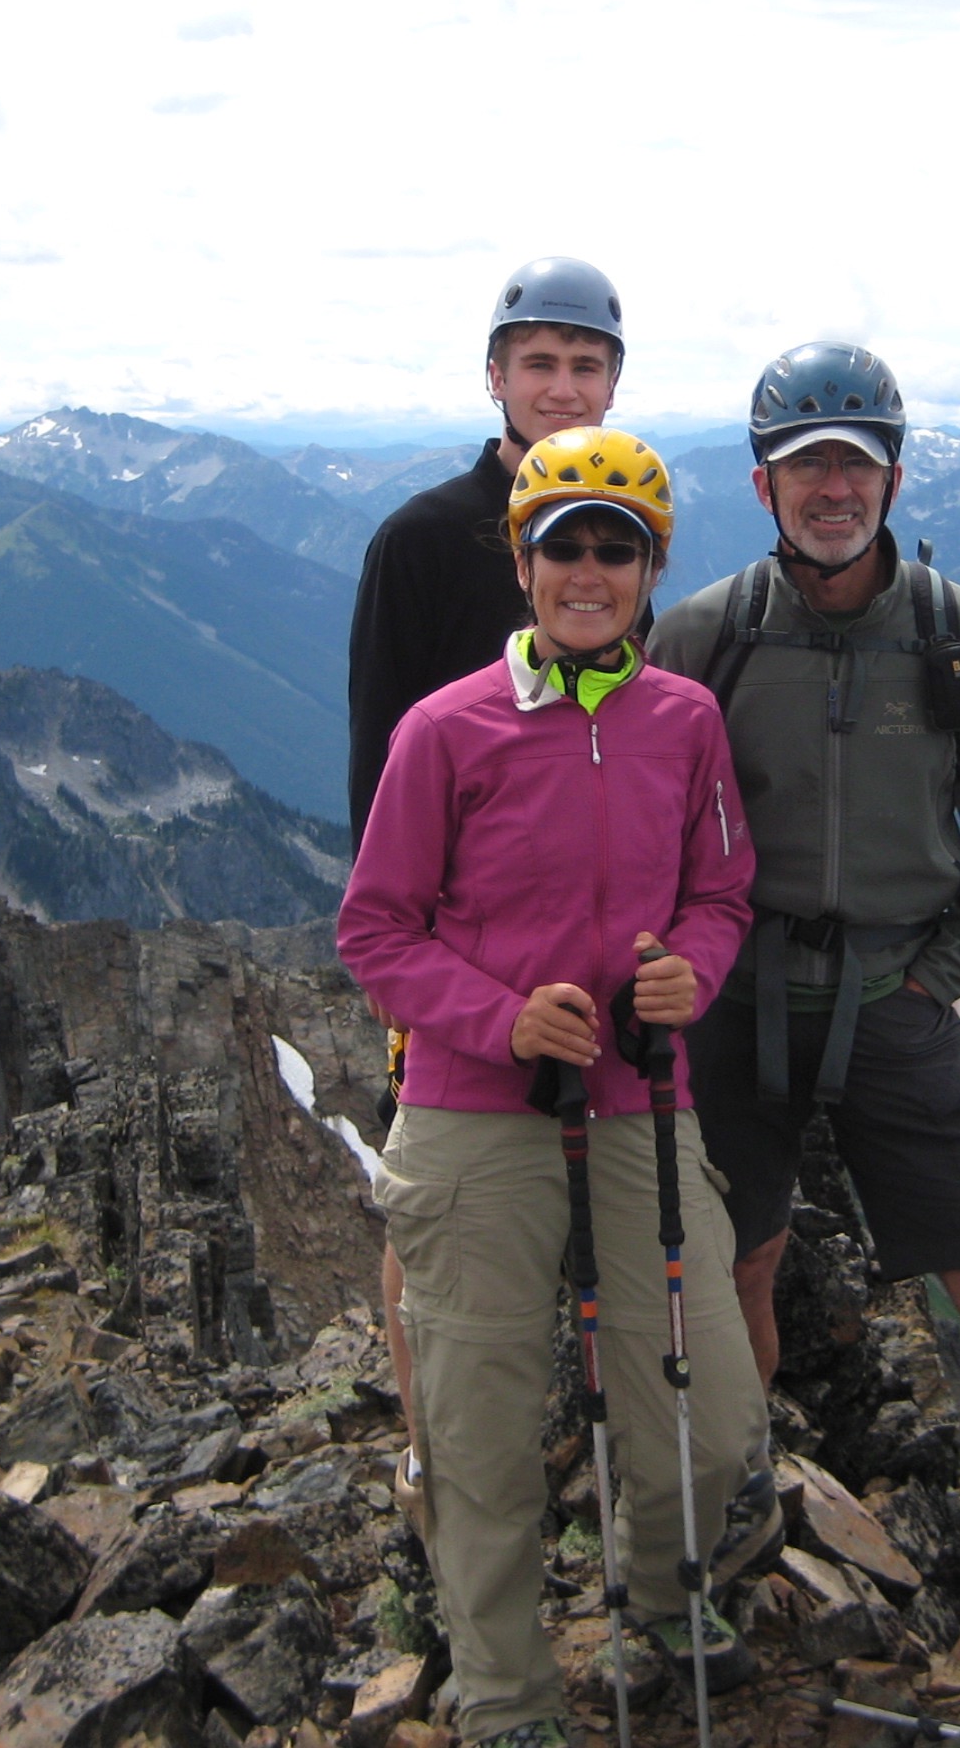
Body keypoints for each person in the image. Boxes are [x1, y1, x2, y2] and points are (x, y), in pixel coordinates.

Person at [646, 342, 960, 1665]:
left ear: (894, 479)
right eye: (806, 468)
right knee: (737, 1269)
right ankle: (738, 1509)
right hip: (735, 995)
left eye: (855, 464)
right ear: (762, 486)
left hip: (897, 999)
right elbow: (637, 823)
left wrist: (942, 976)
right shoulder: (708, 637)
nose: (832, 489)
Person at [338, 429, 767, 1748]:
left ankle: (663, 1591)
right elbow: (375, 930)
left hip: (640, 1099)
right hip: (475, 1111)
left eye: (616, 550)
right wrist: (502, 1016)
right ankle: (510, 1700)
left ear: (651, 570)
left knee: (710, 1418)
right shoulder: (444, 731)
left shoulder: (685, 723)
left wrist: (690, 971)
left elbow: (721, 891)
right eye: (563, 546)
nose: (590, 571)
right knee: (478, 1433)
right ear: (523, 565)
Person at [345, 257, 627, 1545]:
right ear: (497, 376)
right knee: (436, 1185)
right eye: (541, 363)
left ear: (613, 383)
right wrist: (402, 961)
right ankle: (433, 1452)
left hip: (583, 938)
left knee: (579, 1171)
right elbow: (376, 758)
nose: (563, 387)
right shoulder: (420, 541)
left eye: (586, 365)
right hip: (454, 947)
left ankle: (575, 1432)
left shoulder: (616, 530)